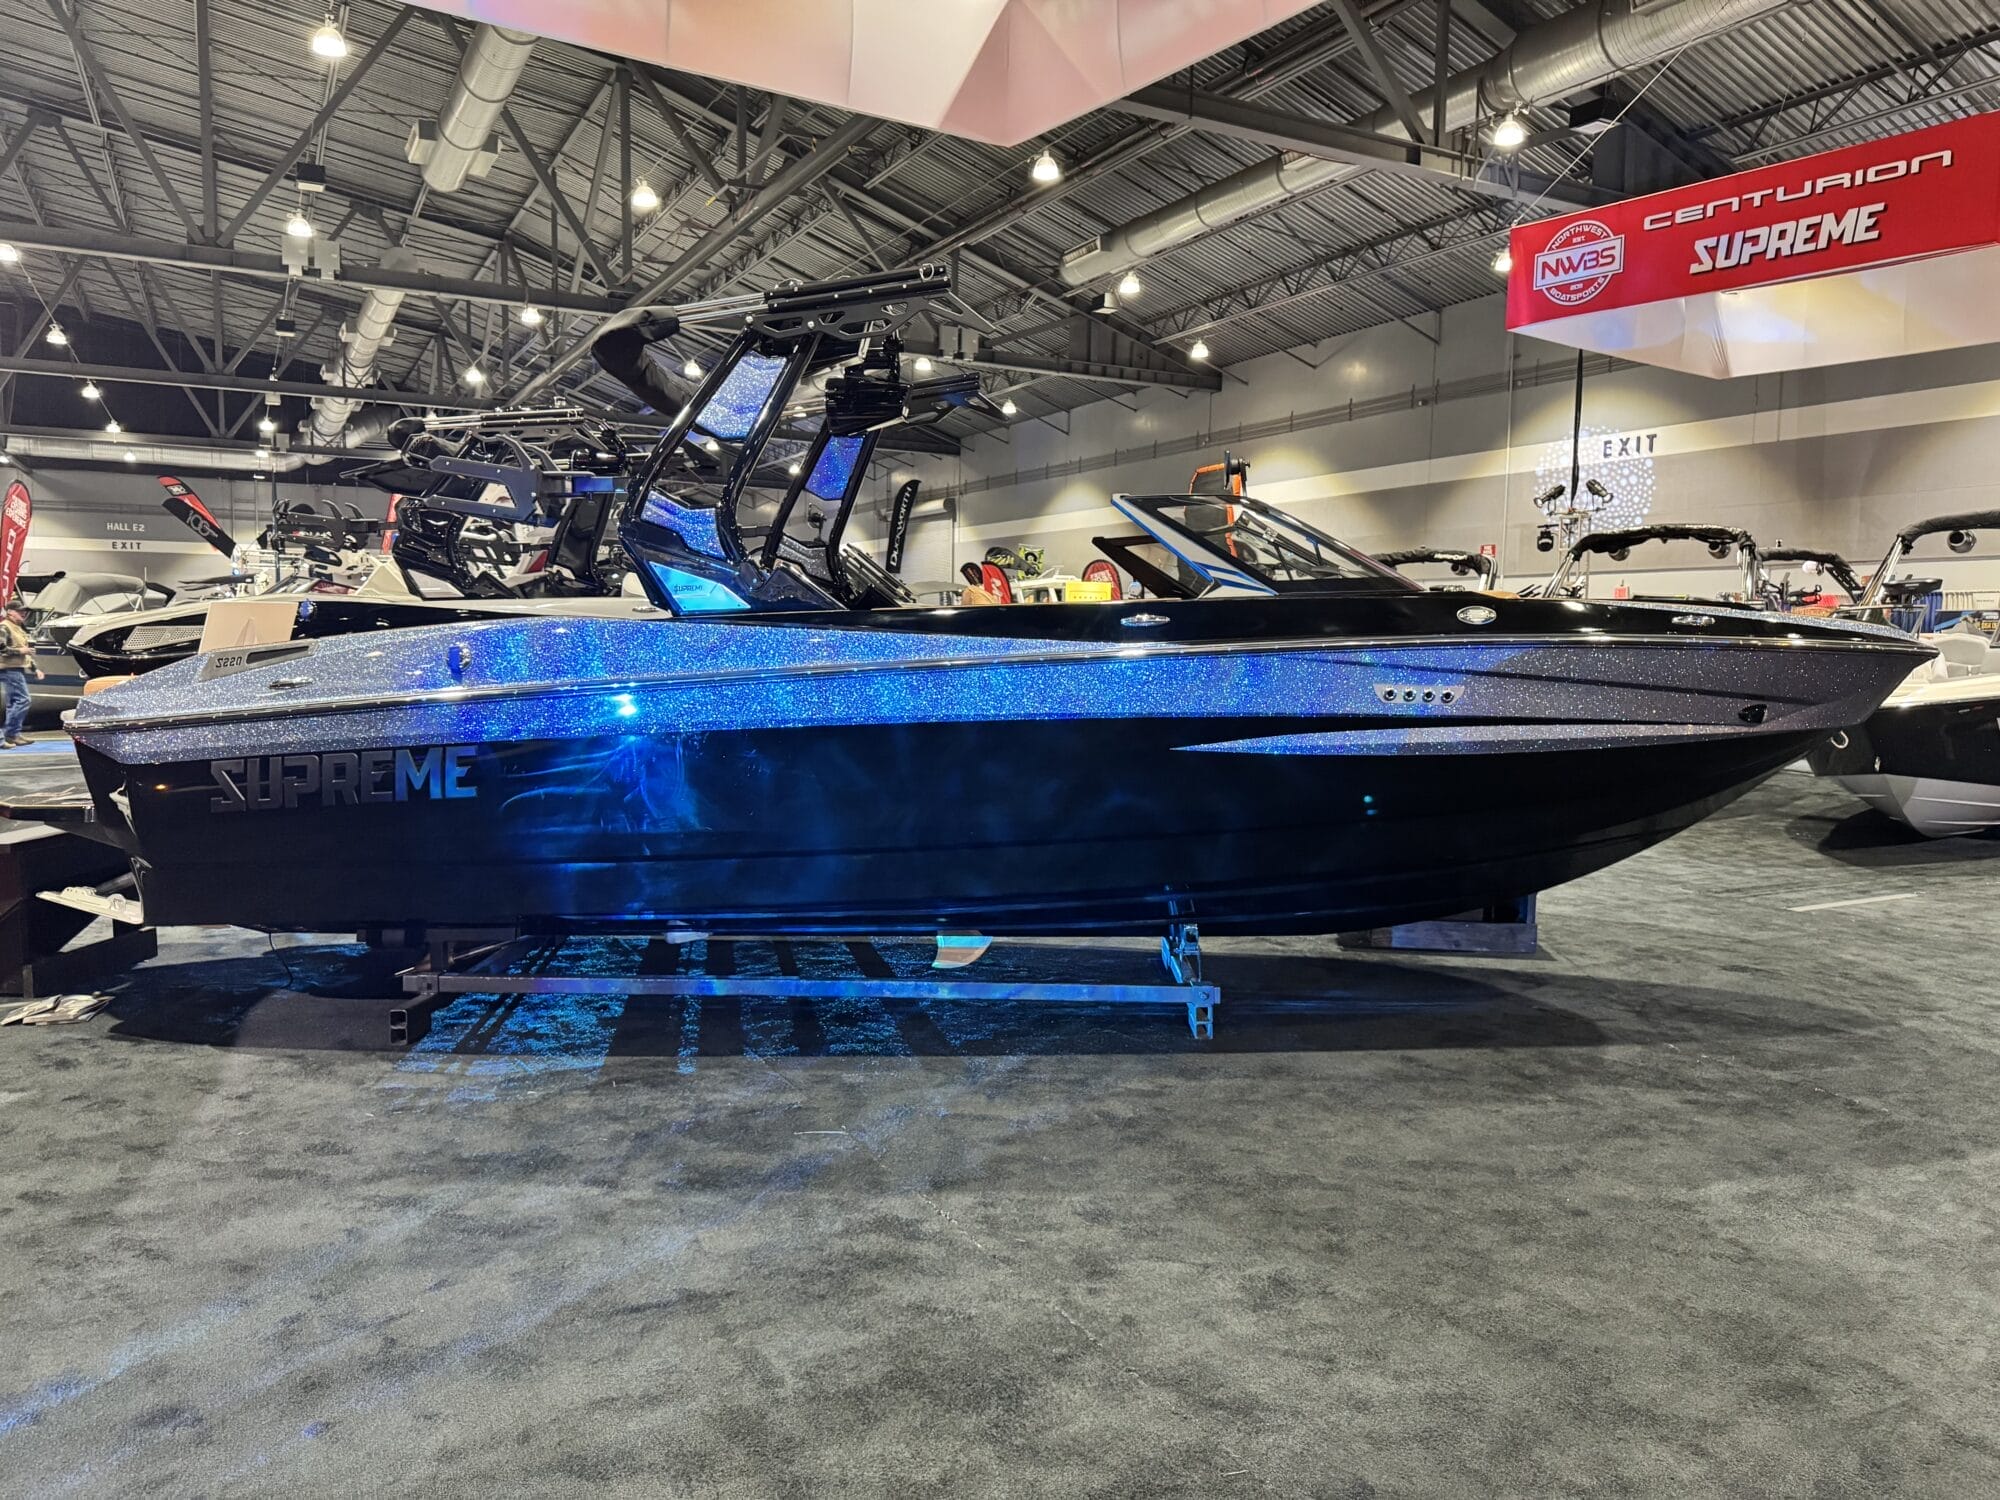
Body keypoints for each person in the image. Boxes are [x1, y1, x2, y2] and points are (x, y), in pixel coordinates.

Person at [0, 604, 43, 747]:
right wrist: (20, 651)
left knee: (14, 702)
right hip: (9, 668)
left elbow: (25, 651)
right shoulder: (5, 627)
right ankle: (12, 733)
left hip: (15, 668)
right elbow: (1, 648)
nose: (23, 614)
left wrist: (35, 668)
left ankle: (12, 734)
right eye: (20, 611)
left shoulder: (17, 628)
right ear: (11, 612)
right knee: (23, 700)